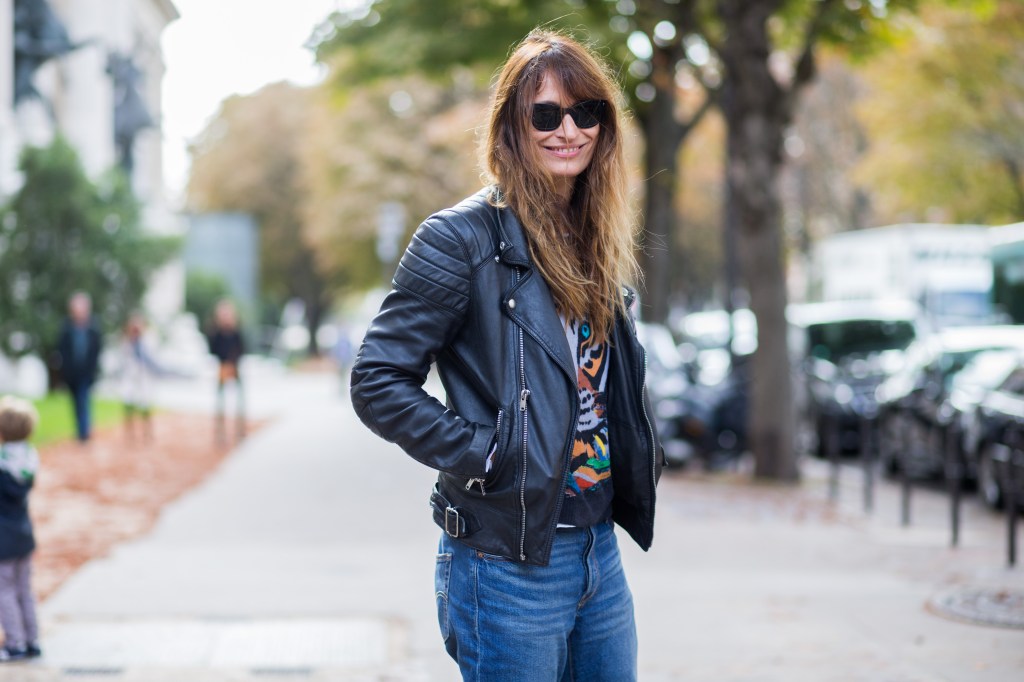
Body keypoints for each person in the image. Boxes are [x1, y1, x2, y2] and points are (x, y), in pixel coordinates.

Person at [350, 29, 662, 681]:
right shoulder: (459, 239)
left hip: (598, 551)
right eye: (545, 115)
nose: (568, 130)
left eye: (586, 111)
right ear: (511, 128)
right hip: (506, 564)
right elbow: (378, 380)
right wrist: (487, 454)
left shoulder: (596, 238)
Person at [0, 395, 41, 662]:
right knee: (25, 590)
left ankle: (14, 643)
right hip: (24, 535)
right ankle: (32, 639)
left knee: (4, 591)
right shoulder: (29, 459)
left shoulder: (2, 464)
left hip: (3, 540)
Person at [56, 292, 102, 442]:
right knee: (75, 402)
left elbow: (97, 351)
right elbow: (62, 350)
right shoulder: (66, 328)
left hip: (86, 372)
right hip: (71, 373)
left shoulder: (93, 328)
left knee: (84, 399)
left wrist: (94, 370)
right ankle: (80, 430)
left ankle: (84, 432)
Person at [114, 313, 164, 442]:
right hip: (131, 377)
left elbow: (151, 357)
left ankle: (147, 432)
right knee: (128, 404)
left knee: (145, 405)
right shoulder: (126, 341)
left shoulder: (148, 340)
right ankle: (129, 432)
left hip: (144, 377)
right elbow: (123, 359)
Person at [206, 299, 246, 444]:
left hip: (235, 367)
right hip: (222, 367)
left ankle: (240, 430)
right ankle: (220, 433)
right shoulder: (216, 333)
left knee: (240, 401)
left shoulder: (236, 332)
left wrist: (232, 363)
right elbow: (213, 350)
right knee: (220, 403)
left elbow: (242, 349)